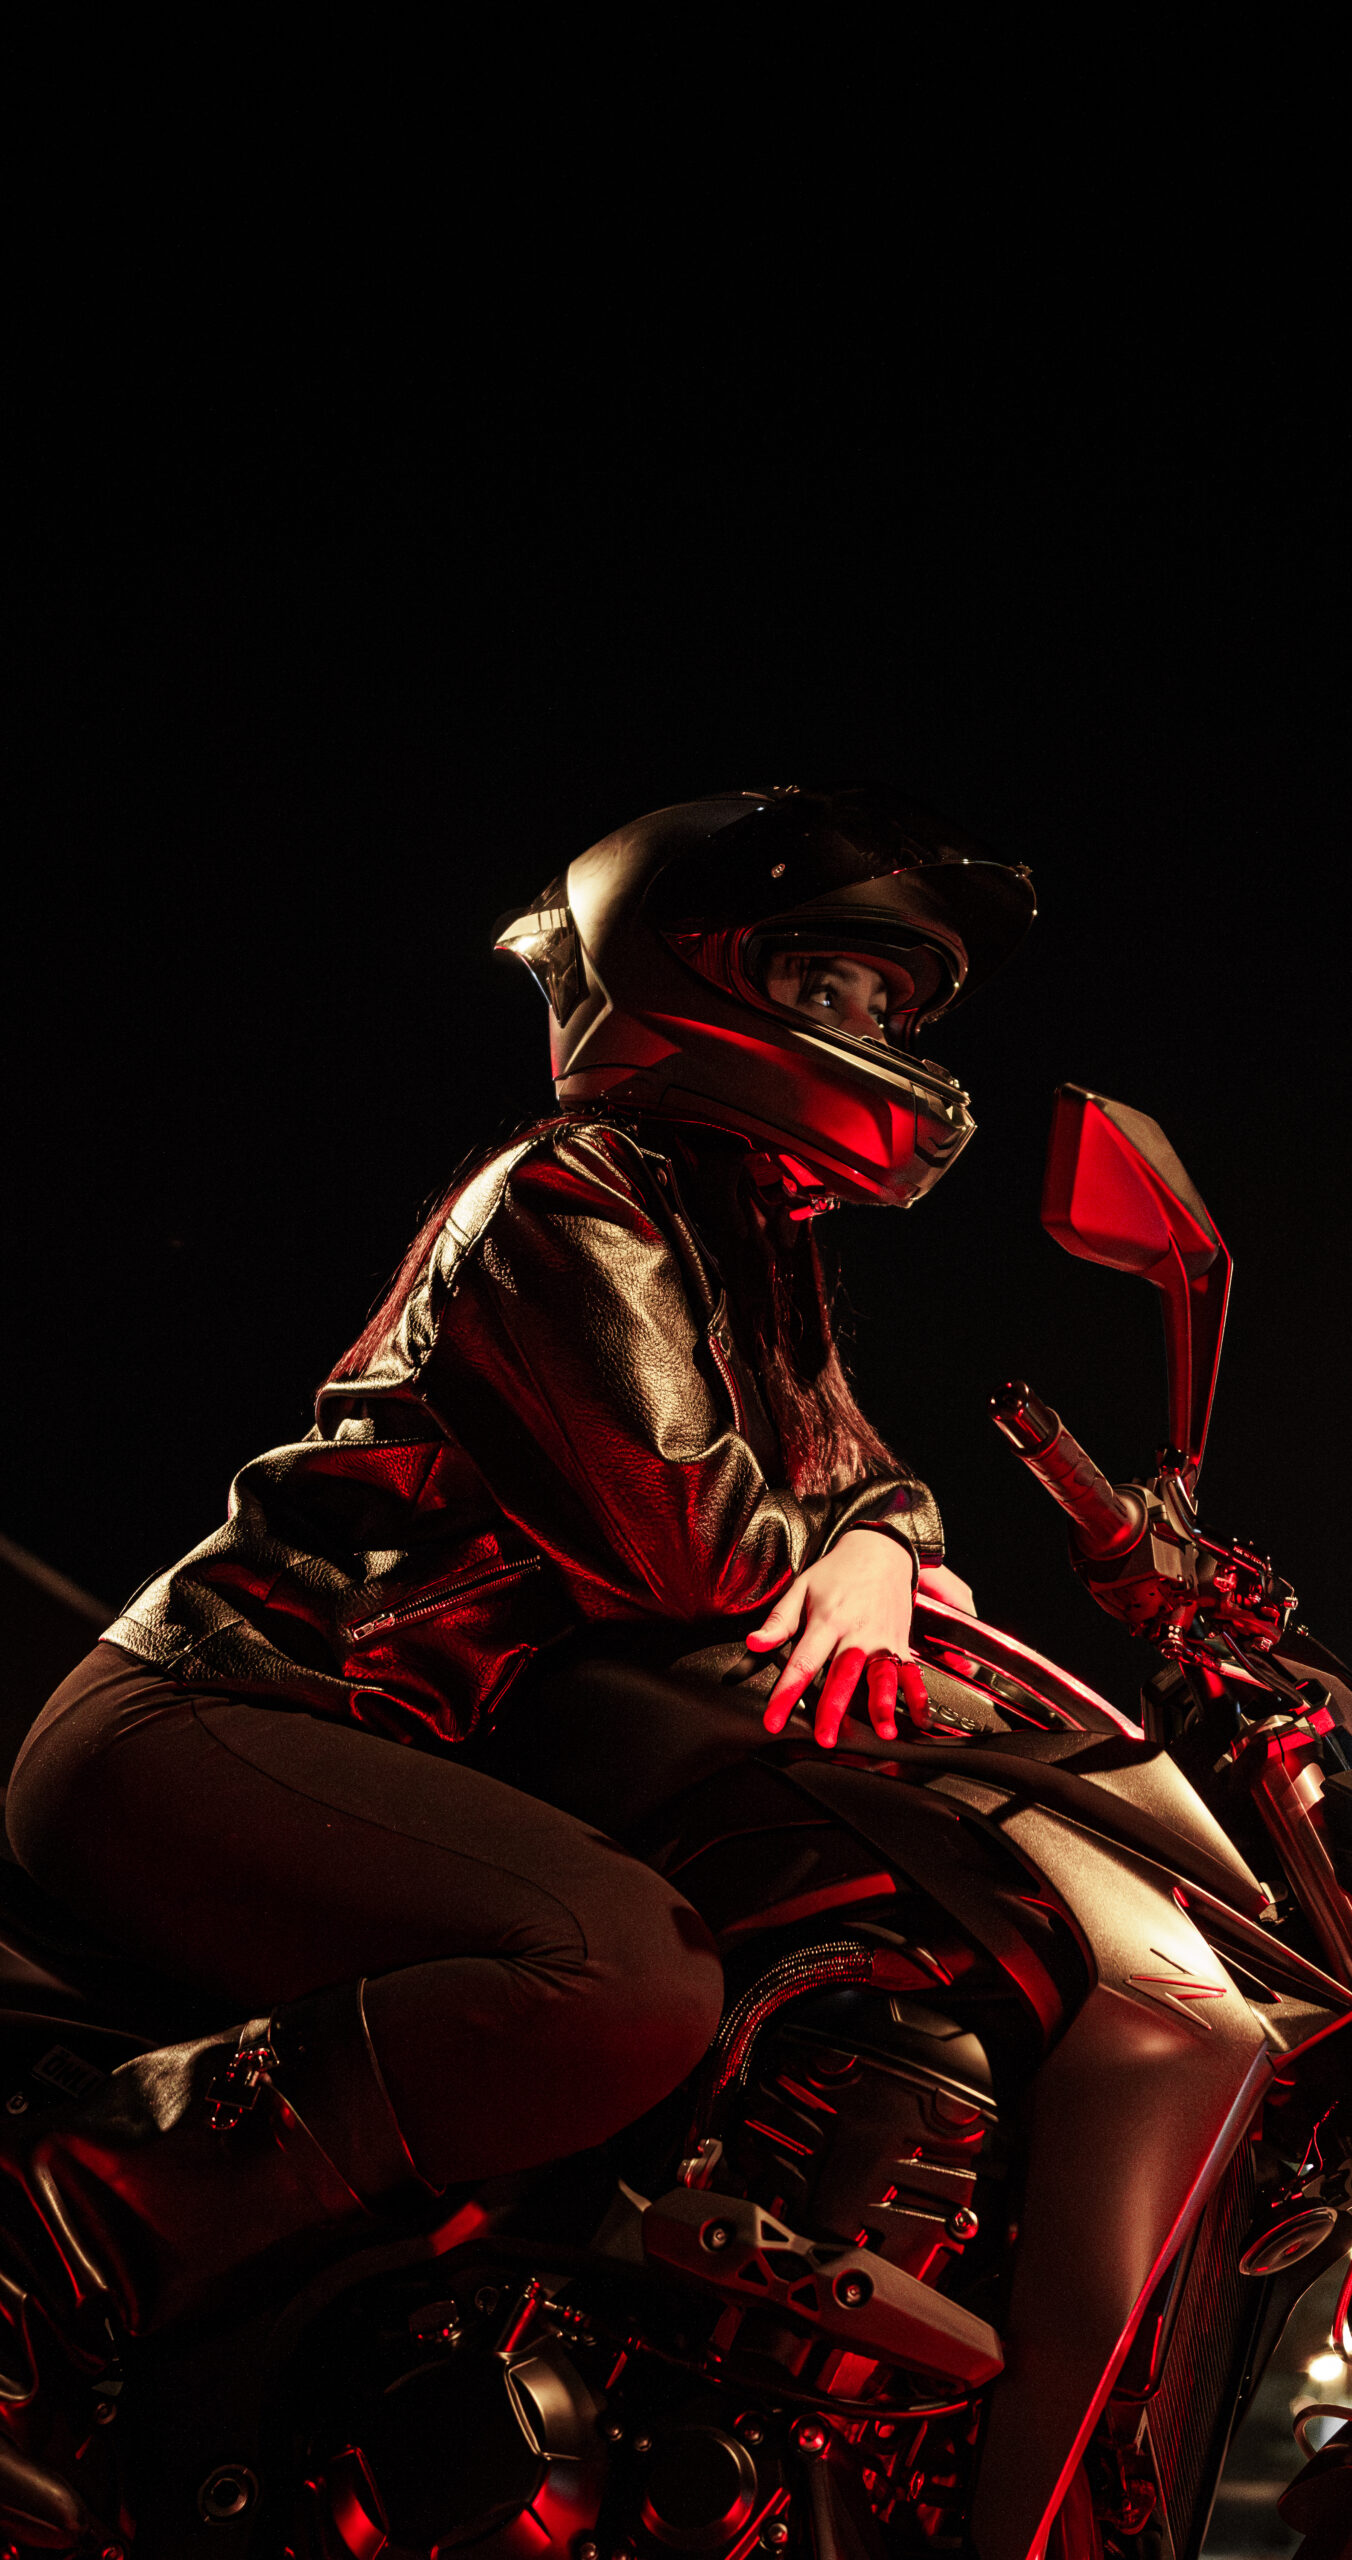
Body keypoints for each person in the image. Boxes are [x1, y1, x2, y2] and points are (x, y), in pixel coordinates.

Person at [0, 785, 1035, 2501]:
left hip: (371, 1746)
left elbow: (857, 1476)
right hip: (223, 1711)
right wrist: (861, 1545)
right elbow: (689, 1539)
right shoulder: (570, 1196)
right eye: (830, 985)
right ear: (689, 973)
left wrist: (884, 1538)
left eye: (888, 1005)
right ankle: (44, 2251)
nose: (872, 1031)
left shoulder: (749, 1249)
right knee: (621, 1976)